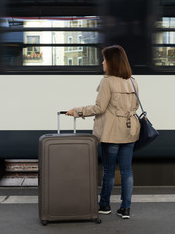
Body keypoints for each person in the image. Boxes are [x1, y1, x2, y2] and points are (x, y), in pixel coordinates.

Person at [66, 45, 140, 219]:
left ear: (112, 62)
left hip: (112, 132)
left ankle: (105, 205)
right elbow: (135, 107)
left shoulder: (107, 81)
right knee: (126, 171)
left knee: (108, 170)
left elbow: (99, 108)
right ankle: (125, 208)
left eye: (105, 59)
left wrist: (77, 111)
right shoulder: (132, 81)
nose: (102, 62)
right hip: (130, 131)